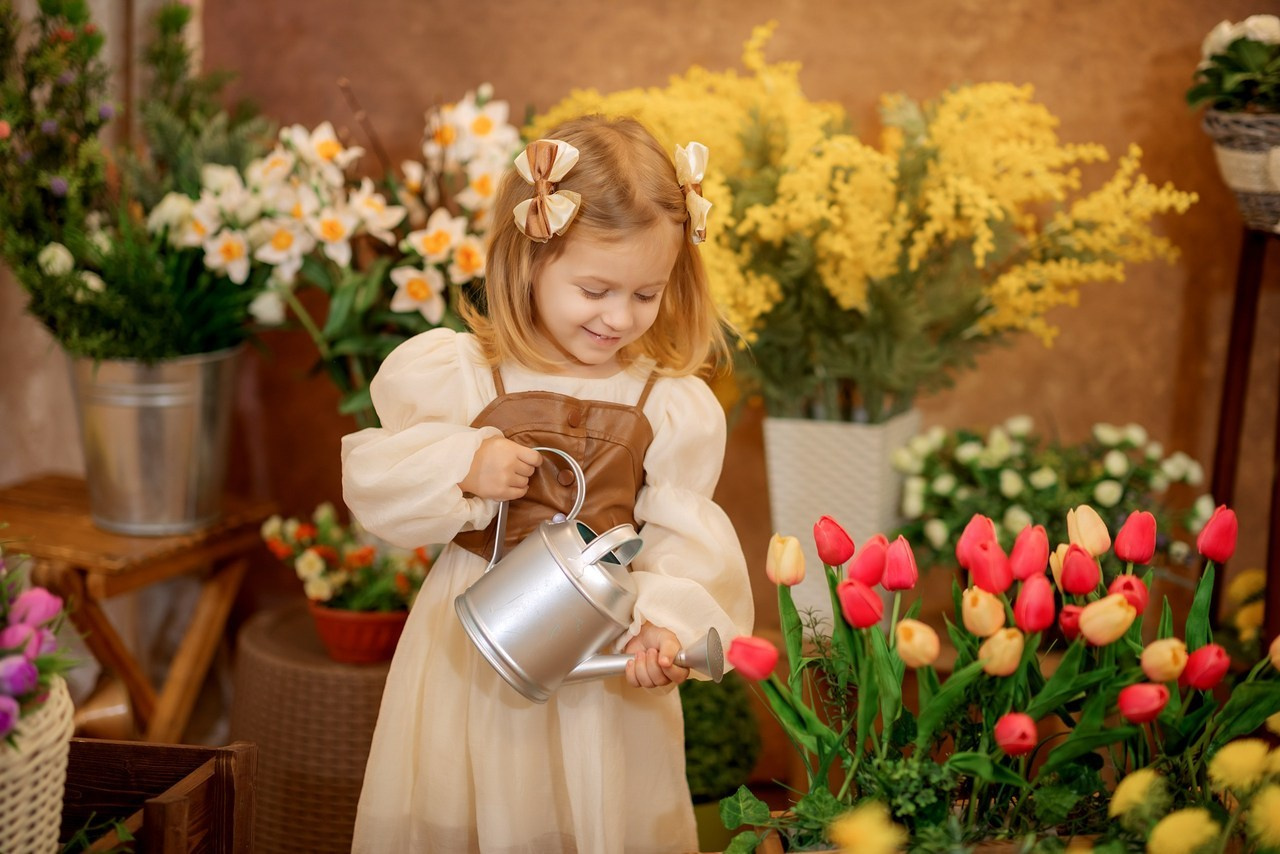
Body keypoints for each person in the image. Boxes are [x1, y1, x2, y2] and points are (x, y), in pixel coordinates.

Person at [341, 114, 754, 853]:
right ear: (529, 258)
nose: (619, 317)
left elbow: (683, 540)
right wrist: (462, 462)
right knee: (468, 798)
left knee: (596, 808)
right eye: (595, 289)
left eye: (646, 294)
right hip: (472, 651)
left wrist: (664, 625)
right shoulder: (462, 373)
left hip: (603, 659)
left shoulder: (665, 400)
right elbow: (375, 481)